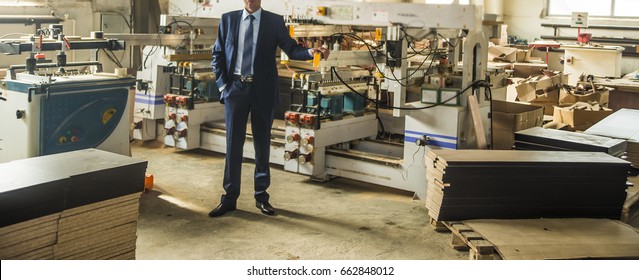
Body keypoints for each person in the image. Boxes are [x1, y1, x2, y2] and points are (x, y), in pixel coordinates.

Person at [209, 0, 329, 217]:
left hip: (262, 90)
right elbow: (217, 54)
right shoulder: (228, 19)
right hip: (235, 89)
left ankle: (261, 197)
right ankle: (229, 198)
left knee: (261, 145)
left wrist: (312, 51)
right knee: (232, 145)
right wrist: (223, 86)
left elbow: (291, 49)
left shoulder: (273, 21)